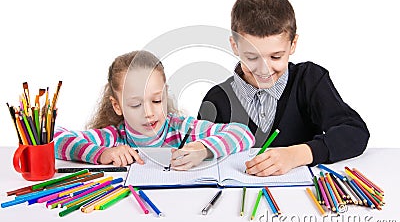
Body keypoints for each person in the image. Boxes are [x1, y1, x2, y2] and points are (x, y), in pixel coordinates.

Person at [198, 0, 369, 176]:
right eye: (252, 57)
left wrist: (296, 155)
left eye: (276, 56)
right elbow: (199, 152)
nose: (264, 70)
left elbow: (355, 132)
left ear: (293, 45)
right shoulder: (217, 99)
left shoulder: (309, 81)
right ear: (234, 46)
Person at [53, 50, 255, 170]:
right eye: (135, 105)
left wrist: (203, 149)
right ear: (117, 106)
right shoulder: (113, 137)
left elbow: (243, 133)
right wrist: (102, 153)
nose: (148, 112)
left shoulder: (181, 128)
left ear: (165, 95)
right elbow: (54, 139)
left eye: (157, 101)